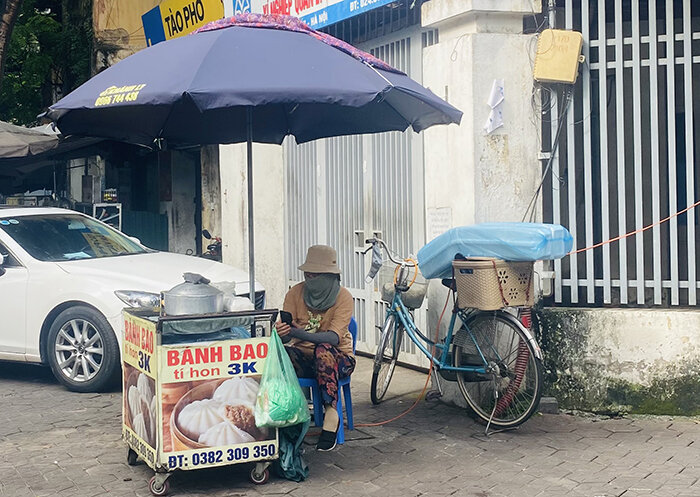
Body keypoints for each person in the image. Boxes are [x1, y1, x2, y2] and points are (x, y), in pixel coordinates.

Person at [275, 245, 355, 452]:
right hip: (304, 357)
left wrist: (297, 333)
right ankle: (287, 413)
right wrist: (283, 333)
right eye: (308, 275)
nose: (310, 279)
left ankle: (331, 412)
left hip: (338, 360)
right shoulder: (295, 293)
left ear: (329, 276)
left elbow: (333, 338)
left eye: (316, 275)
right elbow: (285, 338)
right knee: (279, 356)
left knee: (323, 349)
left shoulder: (343, 297)